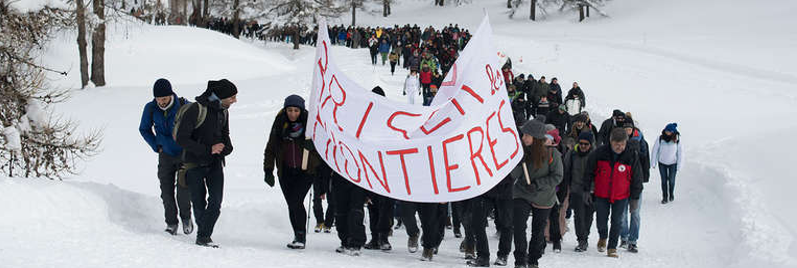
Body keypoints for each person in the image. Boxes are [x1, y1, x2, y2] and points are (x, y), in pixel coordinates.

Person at [175, 79, 237, 248]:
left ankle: (203, 235)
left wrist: (226, 148)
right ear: (221, 96)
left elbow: (226, 136)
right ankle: (203, 237)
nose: (235, 101)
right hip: (193, 164)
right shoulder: (196, 109)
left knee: (216, 202)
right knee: (199, 202)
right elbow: (181, 138)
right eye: (232, 97)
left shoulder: (224, 111)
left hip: (216, 163)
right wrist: (208, 149)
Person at [263, 94, 319, 249]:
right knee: (292, 204)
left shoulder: (310, 125)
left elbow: (323, 149)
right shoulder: (279, 125)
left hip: (305, 172)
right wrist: (268, 170)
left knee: (296, 201)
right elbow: (271, 149)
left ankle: (301, 236)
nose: (293, 114)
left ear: (301, 110)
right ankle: (297, 235)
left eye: (296, 110)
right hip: (286, 171)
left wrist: (312, 147)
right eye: (289, 110)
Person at [139, 78, 193, 236]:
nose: (161, 102)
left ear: (171, 95)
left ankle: (186, 218)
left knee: (183, 191)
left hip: (184, 155)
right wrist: (156, 146)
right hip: (165, 156)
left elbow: (197, 127)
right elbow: (144, 129)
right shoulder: (150, 109)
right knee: (166, 192)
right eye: (158, 99)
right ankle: (171, 223)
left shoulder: (184, 106)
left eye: (164, 99)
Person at [511, 118, 564, 268]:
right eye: (523, 135)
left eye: (527, 135)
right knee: (519, 226)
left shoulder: (552, 154)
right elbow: (514, 175)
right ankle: (520, 260)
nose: (523, 138)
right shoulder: (521, 152)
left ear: (535, 137)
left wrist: (537, 184)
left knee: (538, 231)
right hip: (522, 193)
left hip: (544, 197)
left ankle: (533, 259)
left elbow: (557, 176)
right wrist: (516, 161)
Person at [584, 128, 643, 258]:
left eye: (622, 144)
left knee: (617, 221)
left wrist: (635, 198)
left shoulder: (631, 155)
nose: (619, 147)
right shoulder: (599, 153)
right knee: (601, 220)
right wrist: (587, 190)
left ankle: (612, 247)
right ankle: (603, 236)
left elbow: (637, 178)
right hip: (602, 194)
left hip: (621, 195)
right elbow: (589, 172)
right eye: (617, 144)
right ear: (610, 141)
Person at [619, 117, 650, 253]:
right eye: (625, 129)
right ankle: (624, 237)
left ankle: (633, 240)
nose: (628, 131)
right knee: (622, 213)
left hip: (636, 182)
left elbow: (645, 161)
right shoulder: (618, 142)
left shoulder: (641, 141)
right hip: (622, 182)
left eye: (629, 128)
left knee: (635, 213)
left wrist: (644, 177)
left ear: (633, 129)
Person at [566, 132, 595, 252]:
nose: (583, 146)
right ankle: (581, 239)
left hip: (592, 191)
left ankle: (585, 237)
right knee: (579, 216)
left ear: (590, 144)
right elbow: (567, 169)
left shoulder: (596, 155)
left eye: (586, 144)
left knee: (588, 216)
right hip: (576, 189)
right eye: (581, 143)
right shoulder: (572, 154)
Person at [651, 123, 682, 204]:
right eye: (666, 131)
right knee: (664, 181)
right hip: (662, 163)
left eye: (669, 131)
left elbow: (680, 153)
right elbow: (655, 150)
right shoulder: (660, 138)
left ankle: (671, 193)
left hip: (673, 163)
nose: (667, 132)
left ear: (673, 132)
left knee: (671, 181)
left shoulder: (677, 139)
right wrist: (653, 162)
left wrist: (679, 165)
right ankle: (665, 197)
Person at [312, 161, 334, 233]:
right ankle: (320, 221)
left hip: (330, 171)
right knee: (316, 199)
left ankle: (328, 224)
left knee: (332, 201)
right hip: (317, 171)